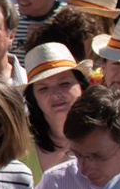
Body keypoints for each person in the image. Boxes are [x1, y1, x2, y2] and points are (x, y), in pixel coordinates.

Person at [21, 43, 88, 177]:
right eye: (43, 88)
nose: (55, 94)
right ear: (33, 99)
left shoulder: (106, 136)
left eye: (64, 84)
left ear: (81, 86)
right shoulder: (21, 148)